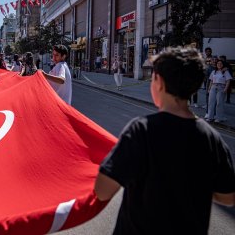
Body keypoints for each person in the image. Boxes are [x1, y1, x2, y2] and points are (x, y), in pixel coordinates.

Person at [94, 47, 235, 235]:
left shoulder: (141, 130)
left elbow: (102, 190)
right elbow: (227, 196)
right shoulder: (211, 138)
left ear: (158, 82)